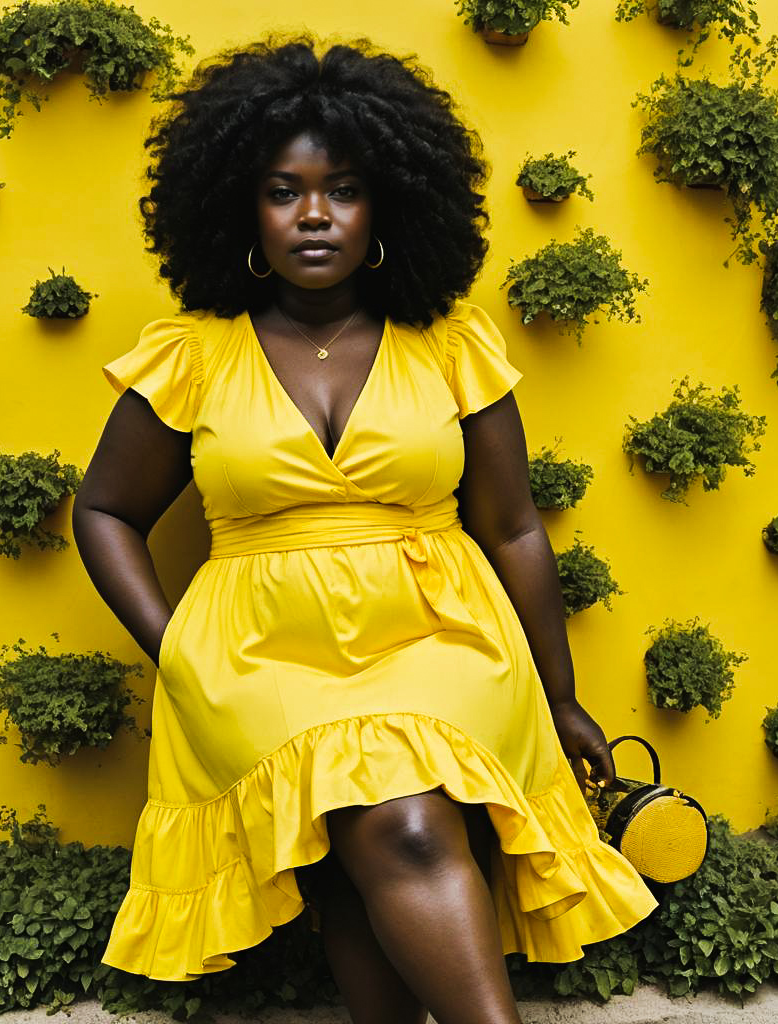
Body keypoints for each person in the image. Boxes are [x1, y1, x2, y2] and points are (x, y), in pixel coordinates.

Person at [72, 31, 659, 1024]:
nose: (313, 215)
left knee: (400, 821)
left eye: (341, 188)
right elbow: (105, 511)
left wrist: (560, 698)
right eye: (282, 190)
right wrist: (176, 650)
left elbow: (512, 527)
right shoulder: (191, 356)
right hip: (254, 658)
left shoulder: (452, 344)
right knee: (373, 830)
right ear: (239, 210)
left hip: (438, 634)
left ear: (386, 203)